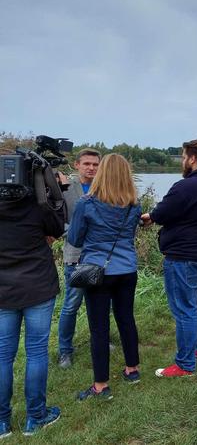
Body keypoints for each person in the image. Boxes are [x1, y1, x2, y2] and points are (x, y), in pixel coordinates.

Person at [141, 139, 197, 376]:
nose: (182, 160)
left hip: (185, 258)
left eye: (183, 156)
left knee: (185, 310)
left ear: (192, 158)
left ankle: (185, 364)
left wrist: (150, 216)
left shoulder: (186, 186)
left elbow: (163, 212)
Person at [67, 154, 143, 400]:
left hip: (98, 271)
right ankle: (132, 370)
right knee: (126, 319)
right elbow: (130, 234)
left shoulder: (86, 203)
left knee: (99, 328)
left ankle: (101, 385)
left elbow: (75, 239)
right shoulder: (134, 204)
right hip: (127, 269)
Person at [1, 179, 65, 437]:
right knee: (36, 352)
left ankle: (2, 422)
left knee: (3, 355)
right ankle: (35, 417)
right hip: (38, 285)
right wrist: (54, 189)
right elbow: (58, 228)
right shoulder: (36, 204)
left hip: (3, 290)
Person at [57, 148, 101, 369]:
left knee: (100, 303)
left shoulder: (104, 188)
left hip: (100, 257)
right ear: (77, 165)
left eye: (95, 164)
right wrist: (76, 232)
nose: (91, 168)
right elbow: (56, 221)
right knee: (71, 305)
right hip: (75, 256)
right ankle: (65, 350)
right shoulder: (65, 189)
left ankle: (100, 340)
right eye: (87, 164)